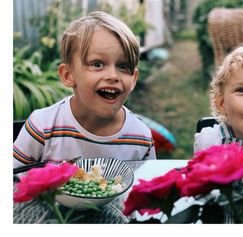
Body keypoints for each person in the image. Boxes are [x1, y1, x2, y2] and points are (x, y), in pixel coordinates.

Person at [13, 11, 156, 168]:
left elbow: (145, 189)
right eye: (97, 64)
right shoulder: (43, 127)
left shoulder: (141, 137)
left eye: (123, 66)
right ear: (68, 75)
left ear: (134, 78)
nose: (113, 76)